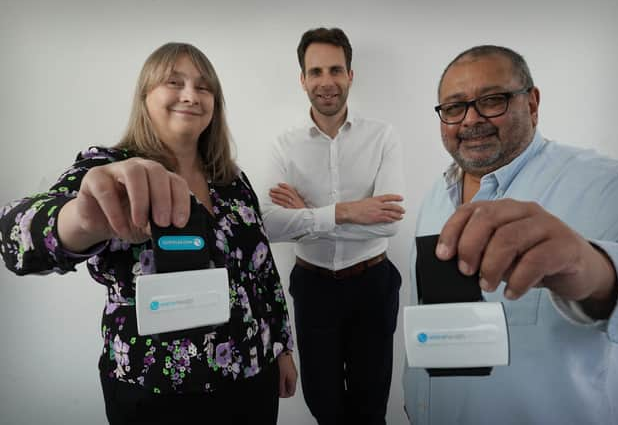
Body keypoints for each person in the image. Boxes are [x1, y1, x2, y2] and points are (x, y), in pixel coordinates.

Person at [0, 42, 297, 425]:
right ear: (145, 95)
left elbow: (263, 272)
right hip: (153, 392)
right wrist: (82, 220)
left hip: (251, 380)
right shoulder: (110, 169)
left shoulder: (232, 180)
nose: (191, 95)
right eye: (174, 82)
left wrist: (282, 348)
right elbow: (16, 237)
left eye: (204, 87)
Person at [403, 45, 618, 424]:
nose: (470, 120)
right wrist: (416, 400)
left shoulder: (612, 186)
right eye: (453, 108)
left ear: (532, 103)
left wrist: (596, 271)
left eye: (492, 100)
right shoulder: (436, 194)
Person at [261, 27, 405, 425]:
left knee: (371, 406)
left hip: (372, 285)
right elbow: (270, 226)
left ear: (350, 75)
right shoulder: (282, 146)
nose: (327, 82)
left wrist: (308, 214)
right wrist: (347, 212)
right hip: (314, 289)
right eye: (317, 71)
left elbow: (390, 224)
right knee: (324, 406)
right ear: (303, 79)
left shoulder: (382, 136)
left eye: (336, 70)